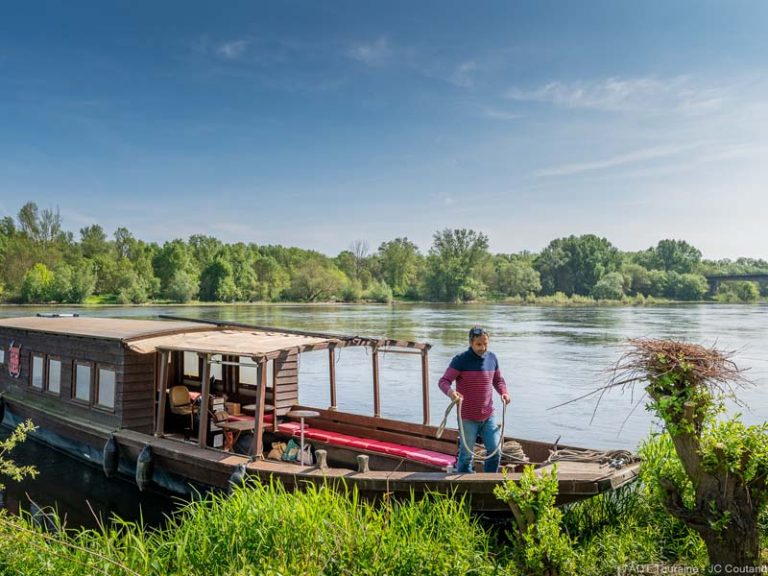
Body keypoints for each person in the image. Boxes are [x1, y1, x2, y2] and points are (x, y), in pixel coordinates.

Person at [438, 326, 511, 473]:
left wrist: (504, 392)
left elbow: (498, 380)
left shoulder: (492, 358)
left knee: (495, 451)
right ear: (471, 342)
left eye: (485, 344)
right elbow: (444, 381)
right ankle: (465, 486)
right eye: (479, 344)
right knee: (465, 457)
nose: (482, 347)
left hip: (488, 416)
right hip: (467, 418)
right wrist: (452, 393)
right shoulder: (460, 360)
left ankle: (489, 483)